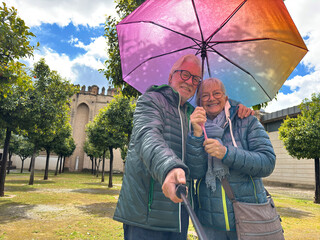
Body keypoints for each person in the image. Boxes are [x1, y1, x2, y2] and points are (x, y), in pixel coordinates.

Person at [113, 55, 253, 240]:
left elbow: (220, 114)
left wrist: (237, 108)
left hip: (180, 214)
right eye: (185, 74)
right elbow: (147, 135)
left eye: (196, 79)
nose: (190, 82)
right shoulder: (151, 100)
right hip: (146, 217)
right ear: (171, 75)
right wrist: (169, 167)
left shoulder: (192, 114)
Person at [186, 78, 276, 240]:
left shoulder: (247, 120)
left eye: (216, 93)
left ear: (226, 98)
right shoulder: (194, 126)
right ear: (199, 102)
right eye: (205, 95)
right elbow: (195, 173)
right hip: (210, 225)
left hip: (249, 218)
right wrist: (197, 135)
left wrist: (227, 153)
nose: (211, 98)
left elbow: (267, 162)